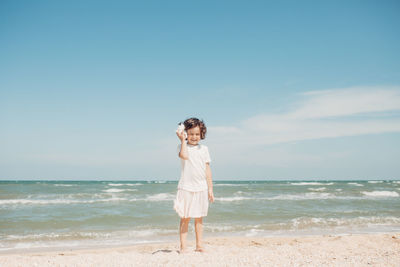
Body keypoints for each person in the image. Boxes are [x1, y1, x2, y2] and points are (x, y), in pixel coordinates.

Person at [173, 117, 214, 254]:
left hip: (201, 187)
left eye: (197, 134)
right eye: (190, 134)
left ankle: (199, 245)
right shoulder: (182, 146)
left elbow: (207, 170)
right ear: (185, 134)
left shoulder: (204, 149)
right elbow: (184, 156)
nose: (194, 137)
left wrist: (210, 189)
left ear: (202, 134)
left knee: (199, 218)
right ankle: (183, 246)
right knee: (185, 217)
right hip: (186, 187)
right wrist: (182, 140)